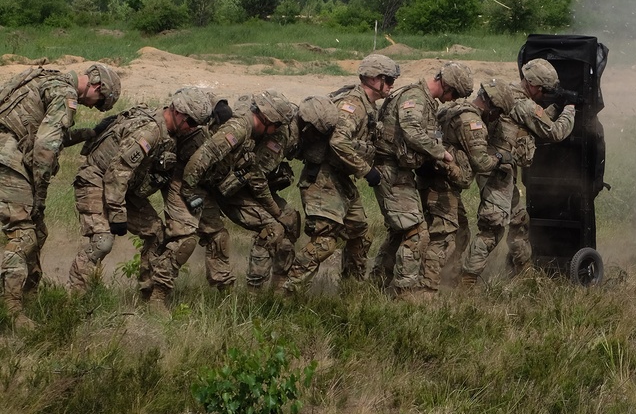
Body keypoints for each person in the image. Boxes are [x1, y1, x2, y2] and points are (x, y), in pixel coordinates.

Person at [0, 63, 121, 326]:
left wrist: (90, 133)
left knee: (38, 233)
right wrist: (40, 196)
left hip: (8, 150)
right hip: (6, 158)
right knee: (24, 233)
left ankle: (28, 296)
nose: (92, 107)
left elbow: (42, 131)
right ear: (97, 86)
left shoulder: (48, 77)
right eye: (97, 102)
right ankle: (11, 312)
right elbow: (45, 147)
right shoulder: (65, 94)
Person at [67, 87, 213, 294]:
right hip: (96, 180)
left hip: (122, 189)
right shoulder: (150, 132)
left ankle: (147, 290)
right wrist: (117, 214)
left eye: (196, 125)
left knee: (156, 233)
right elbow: (117, 172)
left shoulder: (171, 132)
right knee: (102, 242)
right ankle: (74, 296)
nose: (192, 129)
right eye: (190, 122)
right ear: (177, 112)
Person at [283, 53, 399, 294]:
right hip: (324, 178)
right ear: (373, 79)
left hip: (340, 179)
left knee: (359, 234)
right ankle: (287, 289)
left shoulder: (368, 106)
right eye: (388, 80)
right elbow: (339, 142)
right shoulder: (353, 105)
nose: (391, 85)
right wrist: (367, 171)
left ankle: (351, 290)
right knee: (325, 242)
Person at [460, 59, 575, 285]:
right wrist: (570, 110)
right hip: (497, 170)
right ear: (532, 85)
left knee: (519, 220)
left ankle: (523, 269)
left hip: (501, 168)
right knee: (492, 228)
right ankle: (468, 278)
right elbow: (555, 132)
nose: (544, 94)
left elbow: (534, 120)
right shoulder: (524, 105)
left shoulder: (513, 93)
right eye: (543, 90)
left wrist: (555, 106)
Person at [370, 62, 470, 298]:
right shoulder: (416, 96)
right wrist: (441, 153)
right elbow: (411, 130)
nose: (452, 100)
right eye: (454, 93)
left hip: (401, 172)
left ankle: (378, 282)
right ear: (446, 85)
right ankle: (404, 293)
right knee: (416, 233)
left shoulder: (426, 101)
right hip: (390, 170)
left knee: (400, 232)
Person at [179, 90, 297, 290]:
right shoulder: (239, 129)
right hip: (197, 186)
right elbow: (201, 158)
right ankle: (223, 291)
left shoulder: (252, 134)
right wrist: (188, 192)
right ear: (269, 121)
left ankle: (254, 294)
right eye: (277, 126)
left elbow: (255, 176)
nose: (277, 131)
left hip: (226, 187)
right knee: (215, 237)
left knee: (272, 229)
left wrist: (276, 213)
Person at [418, 76, 512, 295]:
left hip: (434, 180)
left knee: (461, 233)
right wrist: (500, 156)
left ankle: (448, 279)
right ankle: (426, 289)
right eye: (497, 113)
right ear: (492, 107)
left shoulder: (453, 109)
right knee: (443, 239)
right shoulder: (473, 122)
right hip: (442, 186)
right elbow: (482, 163)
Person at [148, 95, 235, 305]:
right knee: (184, 240)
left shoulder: (232, 126)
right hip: (179, 179)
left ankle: (226, 292)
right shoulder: (185, 114)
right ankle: (157, 296)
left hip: (198, 183)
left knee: (218, 237)